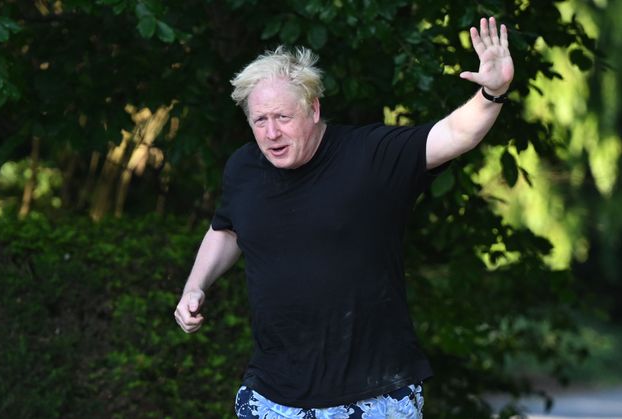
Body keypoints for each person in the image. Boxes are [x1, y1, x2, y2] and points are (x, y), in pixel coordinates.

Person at [174, 16, 513, 418]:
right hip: (272, 395)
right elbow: (228, 228)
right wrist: (196, 286)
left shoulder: (369, 156)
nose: (271, 133)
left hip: (374, 396)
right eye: (259, 121)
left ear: (313, 109)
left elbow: (455, 135)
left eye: (283, 118)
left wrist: (492, 92)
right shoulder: (243, 168)